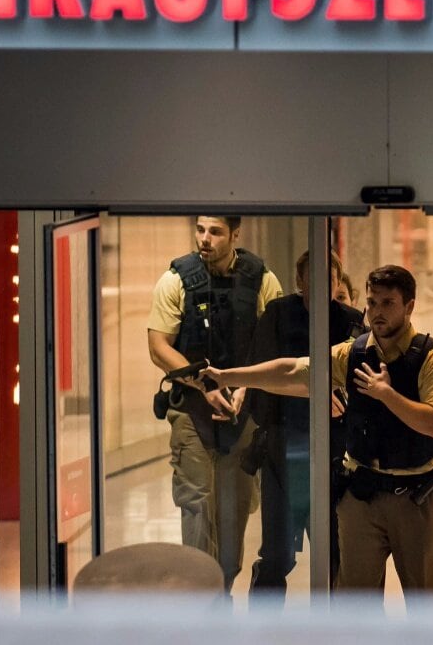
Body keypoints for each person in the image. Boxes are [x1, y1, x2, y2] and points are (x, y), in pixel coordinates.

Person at [205, 264, 433, 607]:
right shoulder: (353, 353)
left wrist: (387, 394)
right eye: (372, 303)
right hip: (362, 496)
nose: (376, 312)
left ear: (409, 306)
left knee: (426, 608)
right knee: (352, 608)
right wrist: (227, 377)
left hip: (417, 498)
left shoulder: (432, 359)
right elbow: (294, 370)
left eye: (388, 303)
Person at [147, 216, 283, 593]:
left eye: (216, 232)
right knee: (197, 503)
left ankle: (222, 589)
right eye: (200, 230)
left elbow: (273, 344)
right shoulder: (175, 280)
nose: (205, 239)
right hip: (192, 410)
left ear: (236, 234)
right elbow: (159, 346)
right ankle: (200, 598)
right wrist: (204, 384)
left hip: (243, 412)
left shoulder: (262, 280)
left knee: (236, 509)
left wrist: (244, 387)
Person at [245, 250, 364, 605]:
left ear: (338, 282)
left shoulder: (353, 322)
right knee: (278, 555)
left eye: (328, 279)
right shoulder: (278, 315)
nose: (320, 286)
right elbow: (261, 378)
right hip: (284, 450)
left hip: (335, 454)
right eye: (311, 278)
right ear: (299, 282)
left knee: (334, 553)